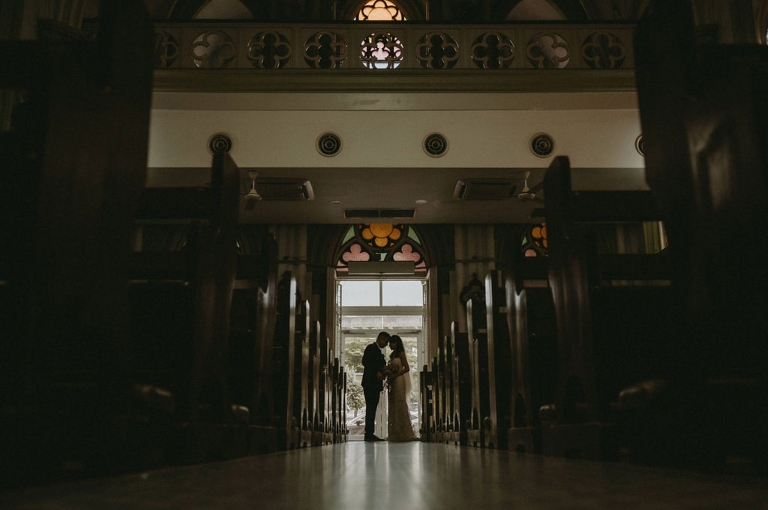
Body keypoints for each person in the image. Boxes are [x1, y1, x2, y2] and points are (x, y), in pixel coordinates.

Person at [385, 335, 418, 442]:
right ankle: (395, 432)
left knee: (400, 402)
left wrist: (395, 374)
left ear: (396, 343)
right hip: (393, 381)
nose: (389, 345)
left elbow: (407, 368)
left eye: (391, 343)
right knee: (393, 404)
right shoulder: (392, 355)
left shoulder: (401, 353)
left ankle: (404, 432)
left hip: (399, 380)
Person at [361, 331, 390, 442]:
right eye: (386, 341)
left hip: (375, 384)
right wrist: (377, 372)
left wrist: (383, 372)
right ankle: (369, 433)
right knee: (370, 407)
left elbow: (379, 365)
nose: (386, 344)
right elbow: (365, 362)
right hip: (370, 383)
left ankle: (370, 432)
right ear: (381, 339)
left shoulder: (378, 351)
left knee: (373, 408)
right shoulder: (371, 348)